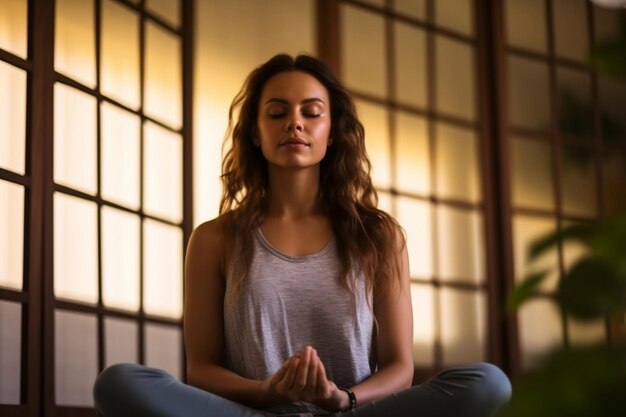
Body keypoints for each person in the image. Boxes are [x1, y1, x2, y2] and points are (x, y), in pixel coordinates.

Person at [93, 54, 511, 417]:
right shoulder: (213, 239)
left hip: (352, 415)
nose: (295, 122)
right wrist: (267, 392)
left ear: (332, 132)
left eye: (311, 113)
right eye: (277, 113)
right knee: (120, 383)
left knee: (487, 382)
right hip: (251, 415)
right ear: (256, 132)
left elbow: (400, 367)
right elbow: (201, 368)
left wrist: (341, 399)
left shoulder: (378, 236)